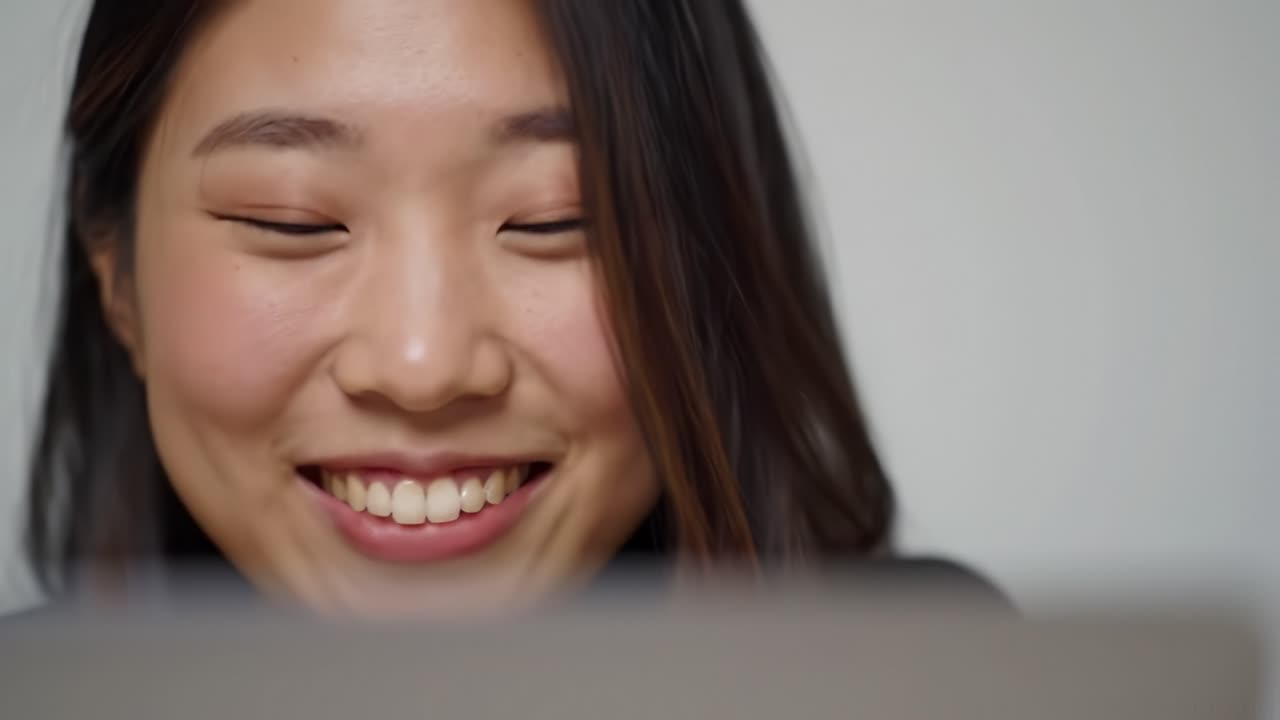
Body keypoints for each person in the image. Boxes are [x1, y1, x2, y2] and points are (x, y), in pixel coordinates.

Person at [22, 0, 1003, 619]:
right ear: (116, 272)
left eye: (554, 218)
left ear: (706, 263)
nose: (422, 363)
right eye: (292, 221)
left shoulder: (929, 680)